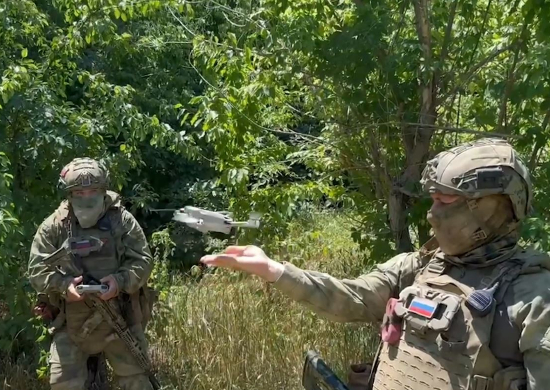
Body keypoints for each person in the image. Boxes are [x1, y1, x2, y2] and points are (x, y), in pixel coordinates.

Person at [201, 138, 550, 390]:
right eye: (433, 200)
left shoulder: (534, 295)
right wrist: (275, 271)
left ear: (490, 209)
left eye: (445, 201)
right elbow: (352, 298)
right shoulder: (422, 266)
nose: (432, 214)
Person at [28, 158, 155, 390]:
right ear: (69, 194)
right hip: (70, 320)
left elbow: (143, 261)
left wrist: (118, 282)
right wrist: (64, 285)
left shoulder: (122, 220)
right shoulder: (54, 226)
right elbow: (36, 270)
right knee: (63, 384)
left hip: (120, 316)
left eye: (93, 190)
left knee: (137, 381)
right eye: (79, 191)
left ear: (103, 189)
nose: (87, 196)